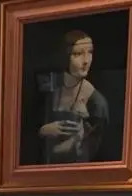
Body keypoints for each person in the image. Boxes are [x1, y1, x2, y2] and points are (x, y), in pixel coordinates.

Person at [38, 30, 109, 163]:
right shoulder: (49, 88)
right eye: (78, 54)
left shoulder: (96, 102)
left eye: (90, 52)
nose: (86, 61)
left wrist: (79, 139)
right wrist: (43, 131)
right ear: (65, 56)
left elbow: (95, 153)